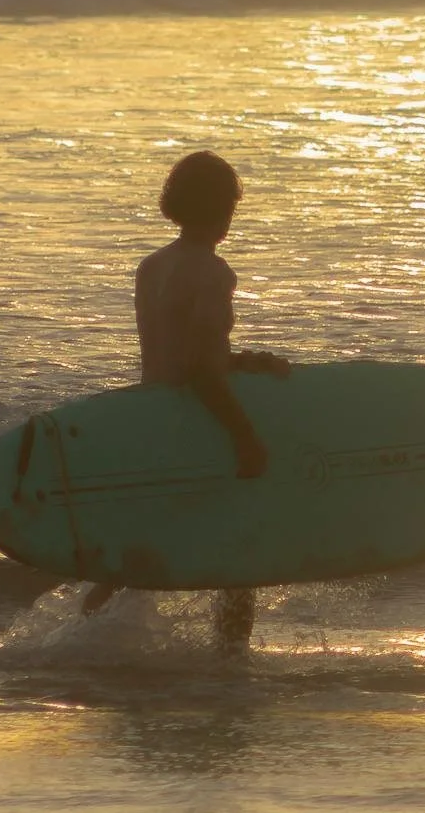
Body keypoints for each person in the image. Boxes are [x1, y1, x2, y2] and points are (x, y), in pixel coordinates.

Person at [84, 149, 290, 650]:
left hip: (154, 416)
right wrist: (245, 439)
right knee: (241, 553)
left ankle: (79, 641)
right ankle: (230, 663)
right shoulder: (214, 273)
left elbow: (179, 353)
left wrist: (243, 361)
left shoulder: (153, 266)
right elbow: (199, 369)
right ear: (223, 208)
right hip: (198, 422)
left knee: (138, 549)